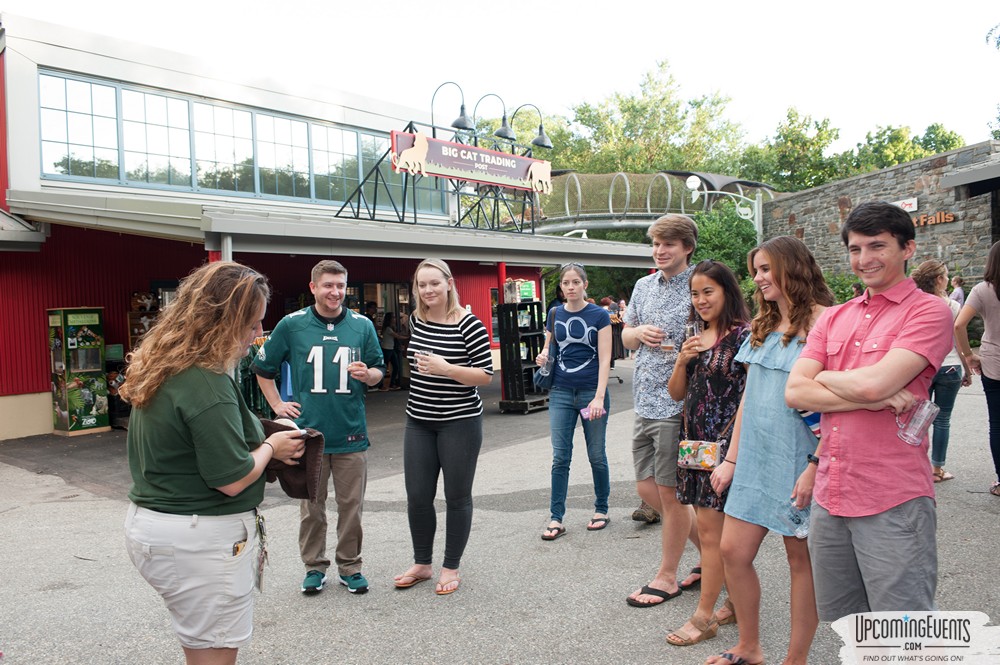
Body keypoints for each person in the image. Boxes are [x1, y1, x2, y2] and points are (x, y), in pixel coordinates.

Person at [122, 261, 306, 665]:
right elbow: (233, 478)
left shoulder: (166, 364)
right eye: (252, 324)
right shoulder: (207, 381)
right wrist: (272, 447)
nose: (258, 335)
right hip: (199, 538)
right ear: (223, 320)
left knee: (199, 641)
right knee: (214, 654)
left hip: (157, 526)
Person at [786, 201, 952, 625]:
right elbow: (794, 391)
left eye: (877, 246)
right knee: (848, 626)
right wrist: (872, 398)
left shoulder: (928, 311)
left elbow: (870, 382)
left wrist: (844, 383)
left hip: (892, 496)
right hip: (831, 493)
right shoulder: (834, 317)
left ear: (908, 248)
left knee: (904, 628)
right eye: (855, 249)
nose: (864, 259)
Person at [707, 236, 833, 665]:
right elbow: (749, 397)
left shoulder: (826, 323)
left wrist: (816, 465)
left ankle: (794, 659)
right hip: (755, 459)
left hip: (801, 458)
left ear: (792, 268)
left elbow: (838, 409)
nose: (758, 278)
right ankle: (749, 646)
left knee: (800, 560)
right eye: (755, 270)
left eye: (766, 269)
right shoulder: (760, 326)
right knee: (731, 552)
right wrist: (730, 459)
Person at [252, 260, 385, 595]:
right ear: (313, 287)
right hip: (307, 435)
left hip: (351, 433)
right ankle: (314, 567)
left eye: (340, 285)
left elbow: (379, 370)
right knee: (311, 506)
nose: (335, 292)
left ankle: (350, 566)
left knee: (351, 506)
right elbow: (263, 368)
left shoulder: (362, 326)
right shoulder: (292, 325)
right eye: (328, 285)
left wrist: (368, 375)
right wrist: (278, 406)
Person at [393, 259, 494, 595]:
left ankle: (451, 566)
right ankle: (422, 563)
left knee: (456, 496)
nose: (428, 290)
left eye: (434, 283)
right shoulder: (416, 320)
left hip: (459, 422)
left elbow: (484, 375)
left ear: (449, 283)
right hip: (419, 420)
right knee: (418, 496)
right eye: (422, 285)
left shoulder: (470, 325)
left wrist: (446, 368)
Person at [665, 260, 750, 647]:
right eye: (695, 293)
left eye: (708, 292)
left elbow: (751, 397)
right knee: (711, 530)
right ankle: (731, 602)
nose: (700, 300)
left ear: (727, 291)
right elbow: (676, 393)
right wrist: (682, 359)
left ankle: (704, 617)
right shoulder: (696, 336)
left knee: (714, 536)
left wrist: (732, 453)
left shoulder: (745, 337)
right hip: (694, 444)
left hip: (725, 447)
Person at [622, 213, 702, 608]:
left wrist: (689, 347)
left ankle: (667, 575)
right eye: (656, 244)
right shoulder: (642, 284)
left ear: (687, 247)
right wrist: (636, 334)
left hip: (679, 402)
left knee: (671, 495)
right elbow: (626, 333)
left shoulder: (702, 285)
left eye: (668, 244)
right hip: (644, 400)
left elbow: (721, 333)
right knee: (646, 488)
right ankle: (713, 554)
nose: (660, 251)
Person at [535, 263, 613, 540]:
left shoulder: (600, 315)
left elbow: (606, 358)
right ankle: (556, 518)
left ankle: (601, 509)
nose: (570, 287)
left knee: (596, 455)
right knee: (560, 457)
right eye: (565, 283)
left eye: (575, 282)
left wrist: (599, 397)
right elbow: (547, 349)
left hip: (592, 392)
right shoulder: (554, 313)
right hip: (560, 392)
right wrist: (542, 357)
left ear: (585, 285)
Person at [911, 260, 972, 482]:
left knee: (918, 417)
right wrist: (967, 370)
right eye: (946, 276)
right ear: (939, 280)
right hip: (950, 367)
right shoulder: (952, 306)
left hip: (923, 366)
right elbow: (957, 342)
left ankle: (916, 467)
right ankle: (937, 470)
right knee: (942, 419)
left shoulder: (916, 305)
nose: (947, 279)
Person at [954, 241, 1000, 497]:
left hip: (994, 362)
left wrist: (968, 356)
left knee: (997, 422)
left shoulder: (983, 290)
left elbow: (959, 324)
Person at [380, 311, 406, 391]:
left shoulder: (390, 327)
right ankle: (381, 385)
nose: (395, 319)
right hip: (387, 349)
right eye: (393, 317)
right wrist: (407, 337)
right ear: (390, 319)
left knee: (395, 366)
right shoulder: (388, 328)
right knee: (386, 367)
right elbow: (397, 336)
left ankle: (391, 384)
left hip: (390, 348)